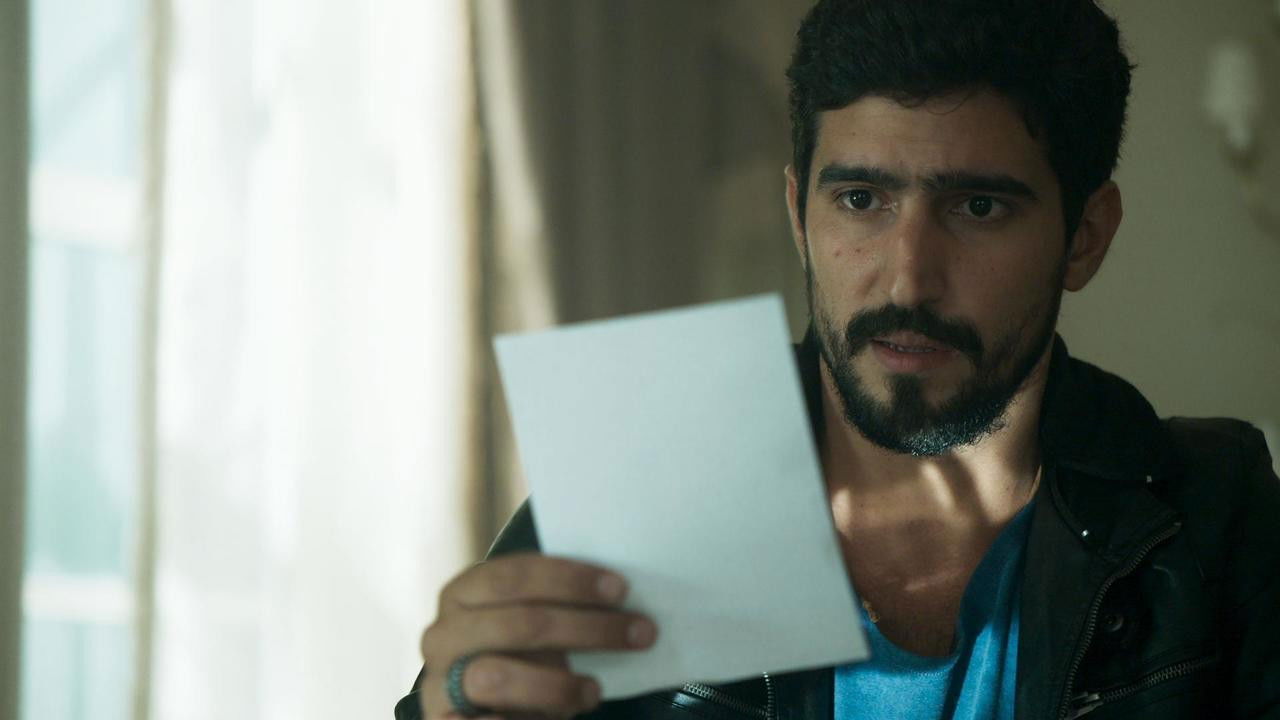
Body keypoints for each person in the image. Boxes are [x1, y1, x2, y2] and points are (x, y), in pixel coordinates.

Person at [398, 0, 1280, 717]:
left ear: (1085, 236)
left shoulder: (1214, 516)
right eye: (861, 199)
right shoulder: (645, 488)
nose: (908, 278)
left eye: (978, 208)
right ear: (799, 214)